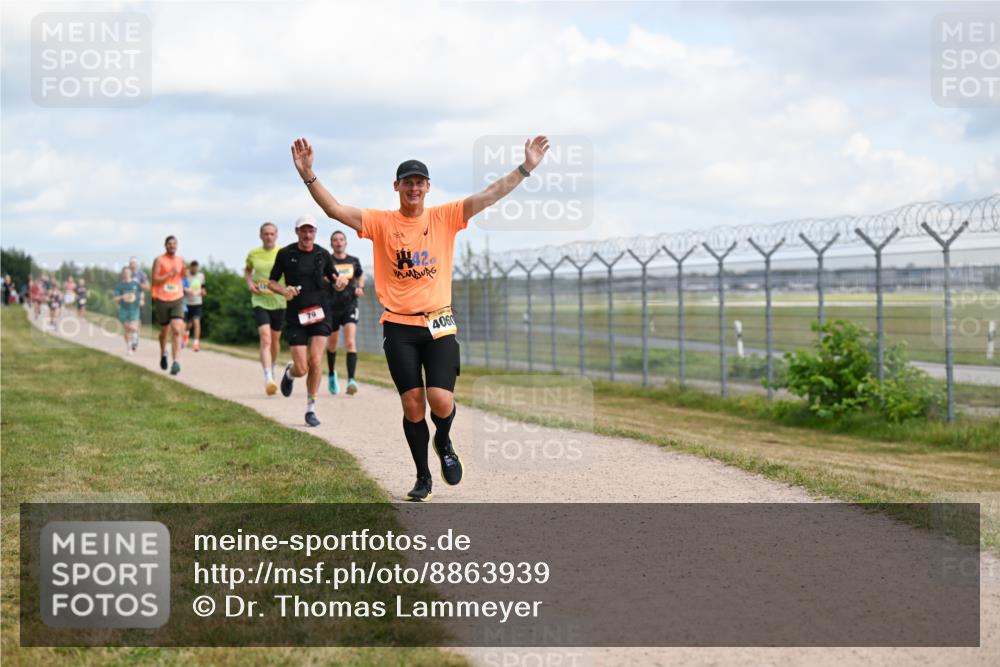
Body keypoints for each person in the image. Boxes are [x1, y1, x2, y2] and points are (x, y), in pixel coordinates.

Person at [291, 134, 549, 501]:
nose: (414, 188)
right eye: (407, 182)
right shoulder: (381, 222)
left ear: (428, 187)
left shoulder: (445, 216)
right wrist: (308, 173)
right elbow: (334, 209)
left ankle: (443, 440)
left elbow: (490, 194)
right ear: (396, 186)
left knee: (440, 399)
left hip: (439, 323)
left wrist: (525, 168)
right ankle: (423, 477)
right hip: (399, 326)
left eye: (419, 182)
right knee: (413, 405)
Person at [268, 215, 337, 427]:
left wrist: (340, 282)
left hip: (320, 314)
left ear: (315, 233)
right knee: (302, 368)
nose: (307, 234)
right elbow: (271, 282)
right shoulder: (285, 254)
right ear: (297, 232)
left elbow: (335, 278)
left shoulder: (322, 254)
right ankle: (290, 373)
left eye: (311, 230)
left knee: (315, 361)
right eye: (303, 230)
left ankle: (310, 409)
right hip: (296, 316)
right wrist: (283, 290)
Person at [245, 222, 286, 395]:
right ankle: (268, 377)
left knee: (275, 341)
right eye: (266, 234)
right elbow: (248, 271)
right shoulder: (253, 253)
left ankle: (273, 366)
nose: (269, 236)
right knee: (266, 338)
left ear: (276, 235)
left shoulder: (282, 252)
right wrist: (249, 283)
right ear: (261, 235)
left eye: (272, 234)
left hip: (279, 302)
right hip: (260, 300)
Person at [325, 230, 365, 395]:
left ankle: (351, 380)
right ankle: (331, 374)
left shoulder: (353, 261)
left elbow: (360, 276)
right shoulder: (328, 261)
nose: (338, 242)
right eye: (335, 240)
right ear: (331, 243)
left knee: (350, 342)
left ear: (346, 242)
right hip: (332, 306)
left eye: (341, 239)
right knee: (333, 344)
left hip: (350, 305)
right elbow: (323, 279)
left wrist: (360, 287)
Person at [151, 235, 186, 375]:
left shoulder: (181, 260)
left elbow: (182, 276)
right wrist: (170, 273)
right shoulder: (159, 260)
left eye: (174, 243)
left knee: (177, 330)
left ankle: (176, 362)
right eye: (170, 243)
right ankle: (163, 353)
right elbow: (155, 280)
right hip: (162, 298)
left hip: (177, 298)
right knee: (164, 331)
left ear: (177, 246)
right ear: (165, 245)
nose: (172, 246)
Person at [113, 267, 143, 355]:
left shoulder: (136, 284)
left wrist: (141, 300)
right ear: (123, 274)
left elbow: (141, 294)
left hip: (134, 309)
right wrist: (123, 296)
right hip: (123, 309)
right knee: (126, 329)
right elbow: (115, 299)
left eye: (128, 272)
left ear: (130, 273)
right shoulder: (119, 286)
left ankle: (135, 339)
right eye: (125, 272)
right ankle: (129, 347)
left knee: (133, 327)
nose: (126, 274)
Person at [183, 261, 206, 351]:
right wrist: (188, 291)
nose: (195, 269)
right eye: (193, 268)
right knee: (187, 325)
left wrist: (202, 292)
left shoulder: (201, 276)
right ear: (191, 268)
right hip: (186, 303)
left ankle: (196, 343)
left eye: (196, 268)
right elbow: (182, 286)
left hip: (197, 303)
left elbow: (203, 288)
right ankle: (185, 335)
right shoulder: (186, 275)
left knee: (197, 322)